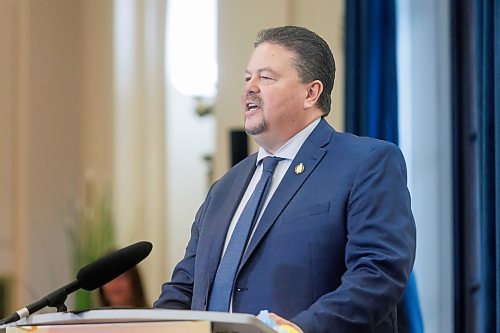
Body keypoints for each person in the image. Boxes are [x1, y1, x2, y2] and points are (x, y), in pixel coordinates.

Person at [154, 26, 416, 332]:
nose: (249, 88)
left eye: (265, 78)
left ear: (310, 93)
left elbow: (378, 273)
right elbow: (186, 288)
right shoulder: (224, 189)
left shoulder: (366, 163)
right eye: (247, 77)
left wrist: (298, 330)